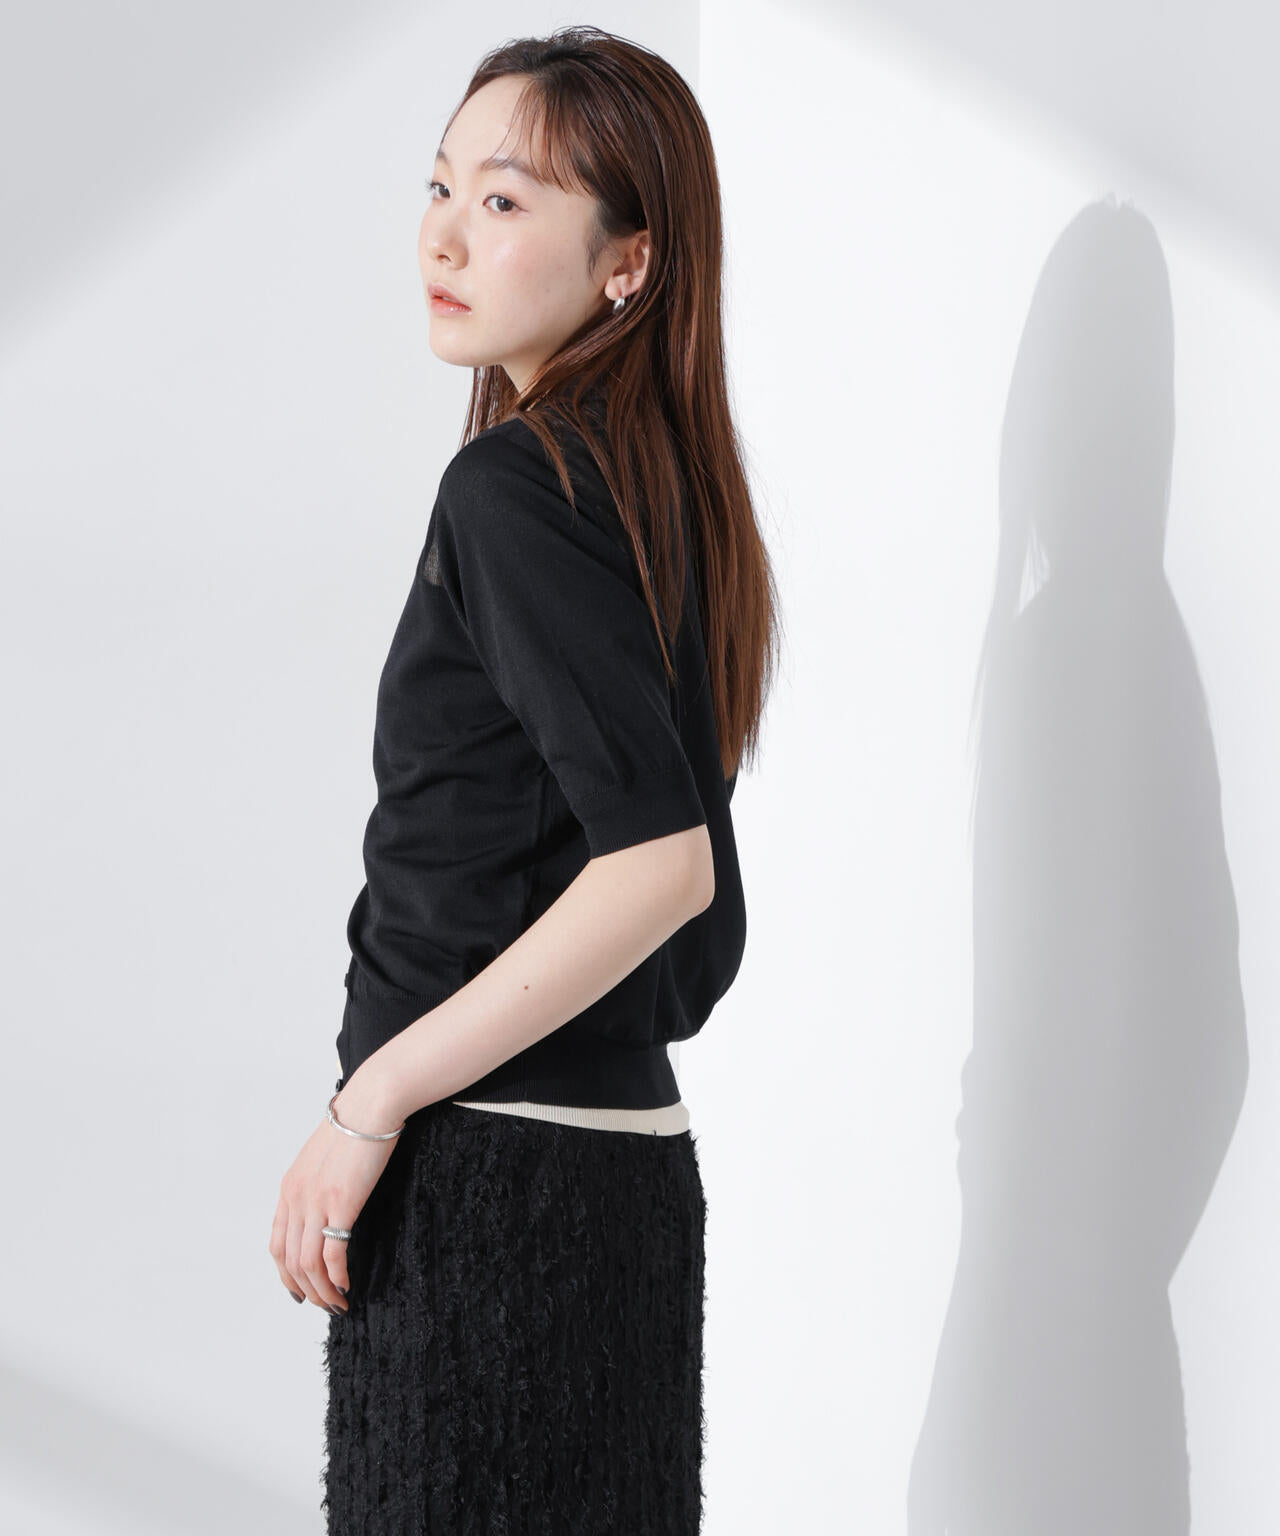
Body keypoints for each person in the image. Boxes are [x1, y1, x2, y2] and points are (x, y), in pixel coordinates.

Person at [268, 25, 779, 1534]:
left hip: (494, 1187)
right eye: (441, 186)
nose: (443, 235)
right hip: (613, 1184)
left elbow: (663, 867)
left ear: (630, 262)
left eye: (503, 200)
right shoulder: (656, 489)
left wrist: (370, 1103)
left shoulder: (514, 487)